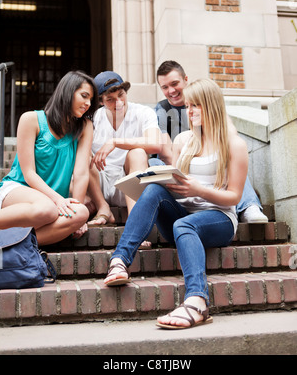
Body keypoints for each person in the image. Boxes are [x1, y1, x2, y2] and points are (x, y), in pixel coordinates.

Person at [103, 78, 248, 329]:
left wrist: (197, 189)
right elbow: (179, 185)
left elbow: (234, 197)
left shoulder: (234, 144)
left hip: (219, 219)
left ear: (211, 106)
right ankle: (120, 261)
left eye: (195, 106)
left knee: (184, 226)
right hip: (183, 215)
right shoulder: (184, 141)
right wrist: (171, 184)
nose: (188, 111)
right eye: (188, 105)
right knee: (154, 189)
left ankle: (197, 301)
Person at [150, 60, 268, 224]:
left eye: (174, 83)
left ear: (186, 79)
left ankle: (249, 206)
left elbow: (229, 138)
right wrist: (185, 171)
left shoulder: (207, 101)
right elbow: (165, 150)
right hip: (178, 164)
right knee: (152, 162)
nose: (171, 91)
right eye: (164, 87)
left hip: (208, 162)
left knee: (229, 157)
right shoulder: (162, 109)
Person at [0, 71, 98, 245]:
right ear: (68, 92)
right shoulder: (31, 119)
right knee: (47, 209)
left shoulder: (85, 127)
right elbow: (29, 173)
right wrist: (57, 199)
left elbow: (81, 173)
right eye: (84, 96)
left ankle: (15, 246)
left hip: (53, 203)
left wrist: (76, 208)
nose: (88, 104)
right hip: (19, 190)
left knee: (81, 212)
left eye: (91, 100)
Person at [86, 71, 163, 227]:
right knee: (82, 156)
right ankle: (102, 207)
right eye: (110, 99)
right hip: (99, 185)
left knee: (138, 153)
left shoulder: (143, 112)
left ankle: (135, 224)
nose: (119, 102)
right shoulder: (92, 118)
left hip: (130, 183)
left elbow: (156, 144)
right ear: (100, 101)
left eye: (121, 95)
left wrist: (116, 142)